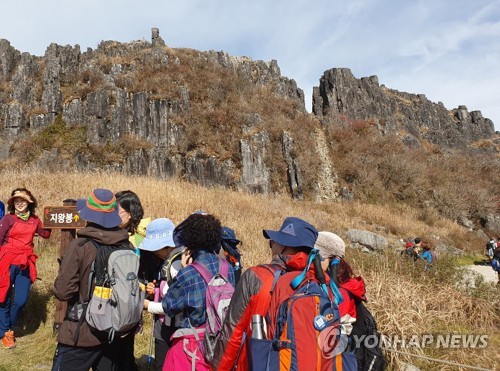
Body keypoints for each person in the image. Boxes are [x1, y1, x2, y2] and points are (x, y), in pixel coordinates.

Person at [213, 216, 319, 370]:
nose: (272, 246)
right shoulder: (319, 283)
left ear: (283, 246)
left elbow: (232, 334)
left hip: (256, 364)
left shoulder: (256, 277)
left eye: (272, 242)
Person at [51, 188, 135, 370]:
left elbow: (64, 291)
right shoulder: (126, 244)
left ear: (88, 213)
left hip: (80, 333)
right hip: (114, 330)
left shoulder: (80, 245)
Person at [161, 212, 235, 370]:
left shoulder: (188, 273)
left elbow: (169, 306)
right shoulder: (227, 268)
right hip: (221, 343)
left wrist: (182, 269)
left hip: (193, 345)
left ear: (189, 241)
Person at [0, 188, 51, 349]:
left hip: (25, 262)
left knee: (21, 300)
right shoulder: (8, 219)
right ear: (12, 203)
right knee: (4, 296)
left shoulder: (34, 220)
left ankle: (9, 325)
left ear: (29, 202)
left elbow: (45, 234)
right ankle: (7, 332)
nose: (19, 203)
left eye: (23, 200)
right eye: (16, 200)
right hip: (7, 261)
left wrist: (50, 221)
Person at [139, 218, 183, 371]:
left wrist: (147, 305)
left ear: (165, 246)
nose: (155, 252)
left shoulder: (176, 263)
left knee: (164, 366)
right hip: (169, 325)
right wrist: (155, 289)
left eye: (156, 248)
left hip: (171, 328)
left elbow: (175, 304)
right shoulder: (172, 260)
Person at [315, 231, 366, 335]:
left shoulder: (342, 294)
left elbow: (335, 332)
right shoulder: (325, 283)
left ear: (333, 261)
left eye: (318, 256)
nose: (312, 260)